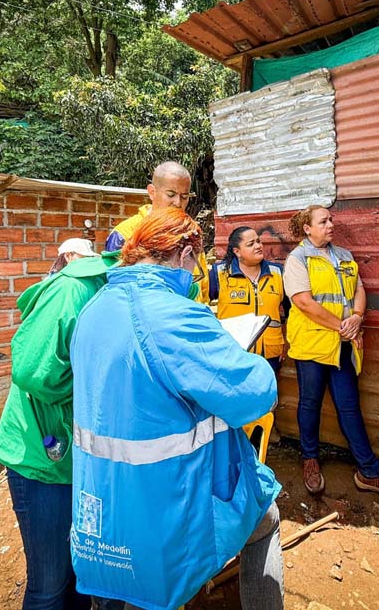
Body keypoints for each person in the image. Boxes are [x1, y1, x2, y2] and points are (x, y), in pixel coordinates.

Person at [70, 208, 284, 610]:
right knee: (265, 516)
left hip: (102, 504)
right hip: (168, 500)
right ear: (186, 252)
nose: (195, 274)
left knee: (123, 594)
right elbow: (254, 392)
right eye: (196, 263)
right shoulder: (171, 314)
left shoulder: (95, 307)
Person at [0, 250, 119, 610]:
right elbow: (34, 372)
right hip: (41, 461)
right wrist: (102, 385)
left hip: (77, 461)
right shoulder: (73, 290)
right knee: (49, 584)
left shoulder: (119, 291)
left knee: (78, 573)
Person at [284, 205, 379, 503]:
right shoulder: (297, 259)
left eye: (331, 220)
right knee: (310, 403)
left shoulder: (344, 255)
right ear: (307, 228)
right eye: (323, 221)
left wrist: (357, 317)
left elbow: (358, 290)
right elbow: (303, 302)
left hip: (342, 345)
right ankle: (310, 459)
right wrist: (344, 327)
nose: (331, 224)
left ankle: (369, 471)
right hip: (312, 345)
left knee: (349, 406)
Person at [105, 160, 209, 302]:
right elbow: (115, 289)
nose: (178, 203)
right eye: (171, 194)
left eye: (184, 197)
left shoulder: (191, 233)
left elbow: (203, 288)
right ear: (152, 192)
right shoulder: (125, 234)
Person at [209, 226, 287, 373]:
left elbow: (291, 311)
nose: (258, 246)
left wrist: (285, 343)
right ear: (237, 251)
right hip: (233, 354)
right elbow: (199, 304)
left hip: (270, 354)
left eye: (258, 241)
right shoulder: (219, 274)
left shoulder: (277, 273)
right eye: (251, 244)